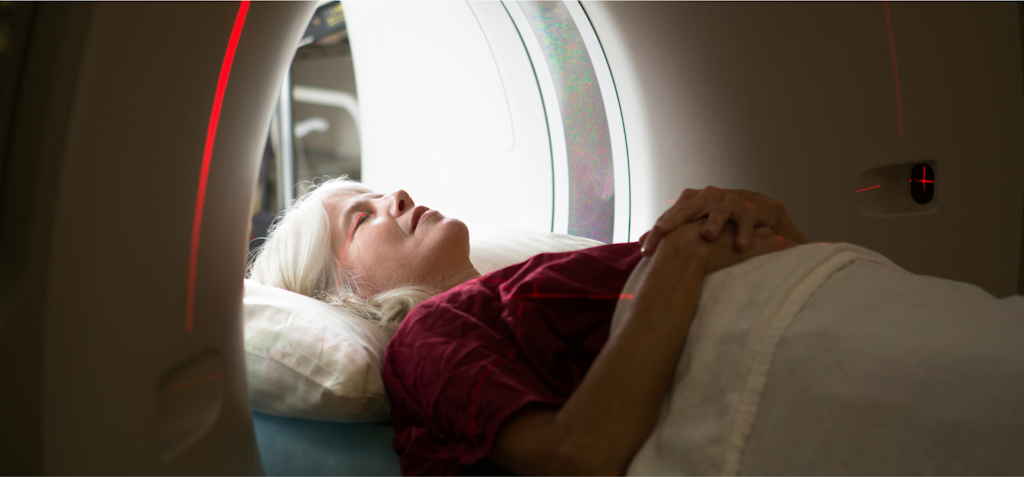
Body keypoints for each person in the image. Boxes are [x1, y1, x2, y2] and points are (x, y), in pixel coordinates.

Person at [249, 176, 810, 475]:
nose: (396, 195)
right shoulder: (426, 341)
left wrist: (762, 223)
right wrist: (683, 258)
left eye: (378, 194)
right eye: (361, 218)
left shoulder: (516, 288)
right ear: (340, 295)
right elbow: (579, 457)